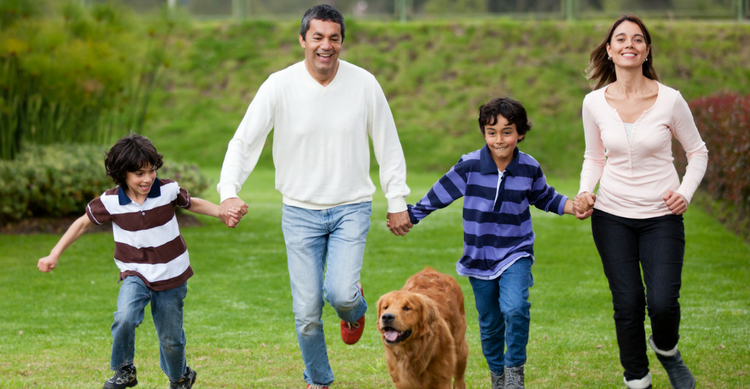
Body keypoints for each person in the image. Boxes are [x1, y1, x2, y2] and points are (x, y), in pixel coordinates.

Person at [215, 4, 411, 389]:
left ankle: (352, 309)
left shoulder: (364, 84)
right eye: (317, 37)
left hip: (350, 207)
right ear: (303, 39)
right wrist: (227, 192)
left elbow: (388, 145)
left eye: (334, 38)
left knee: (340, 292)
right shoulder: (278, 85)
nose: (326, 46)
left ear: (342, 42)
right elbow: (244, 141)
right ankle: (319, 380)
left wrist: (397, 199)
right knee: (306, 313)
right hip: (299, 212)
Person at [37, 133, 240, 389]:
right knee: (124, 317)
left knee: (171, 339)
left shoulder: (167, 189)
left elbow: (192, 203)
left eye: (151, 171)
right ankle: (124, 370)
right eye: (139, 174)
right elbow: (82, 224)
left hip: (171, 273)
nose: (147, 178)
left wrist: (220, 211)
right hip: (135, 272)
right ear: (123, 174)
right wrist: (54, 253)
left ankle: (180, 377)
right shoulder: (110, 201)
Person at [400, 97, 577, 389]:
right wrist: (411, 215)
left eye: (507, 132)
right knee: (491, 323)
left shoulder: (529, 167)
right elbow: (439, 194)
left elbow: (545, 196)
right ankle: (498, 376)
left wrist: (574, 206)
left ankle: (514, 372)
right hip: (478, 257)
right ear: (483, 133)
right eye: (492, 132)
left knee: (516, 308)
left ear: (520, 133)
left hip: (515, 251)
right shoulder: (470, 165)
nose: (499, 139)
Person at [575, 14, 708, 389]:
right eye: (621, 39)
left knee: (663, 302)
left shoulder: (670, 100)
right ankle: (637, 378)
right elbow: (594, 156)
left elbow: (698, 152)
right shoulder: (593, 103)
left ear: (647, 50)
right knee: (628, 304)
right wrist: (587, 189)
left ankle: (666, 350)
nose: (628, 44)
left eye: (637, 39)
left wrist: (684, 193)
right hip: (611, 215)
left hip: (661, 216)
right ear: (610, 50)